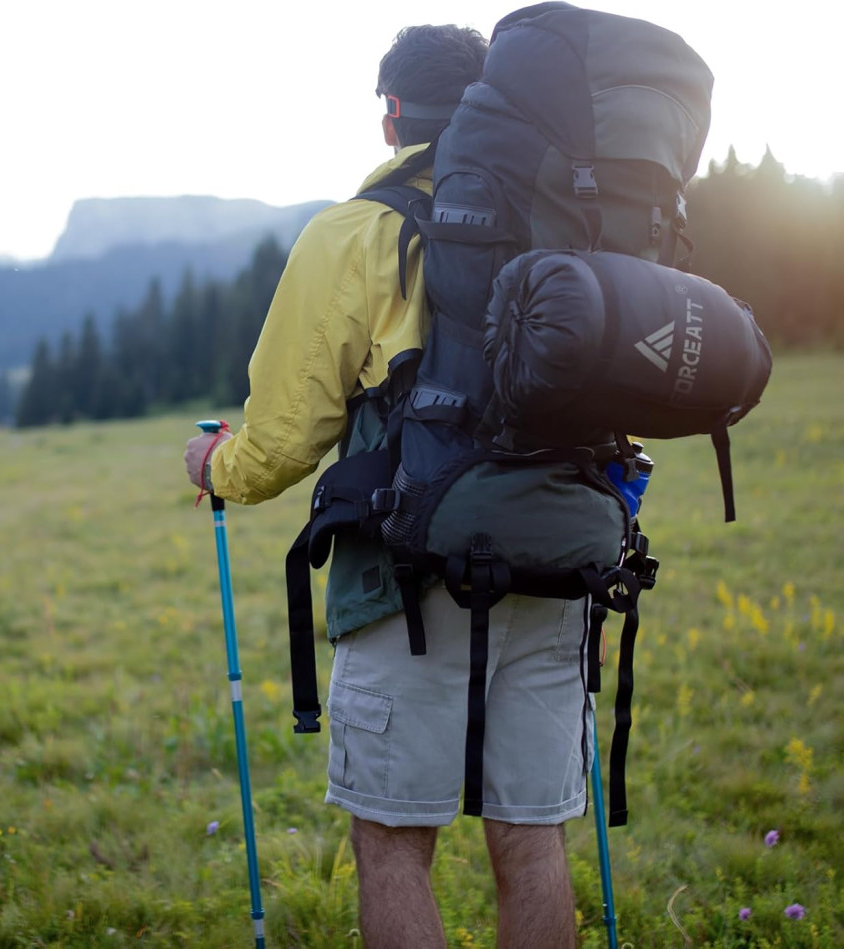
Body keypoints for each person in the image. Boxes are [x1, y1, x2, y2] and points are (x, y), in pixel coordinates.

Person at [185, 24, 587, 949]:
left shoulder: (354, 234)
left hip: (413, 573)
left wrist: (217, 466)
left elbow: (282, 442)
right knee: (532, 837)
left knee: (395, 843)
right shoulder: (560, 222)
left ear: (391, 118)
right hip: (556, 562)